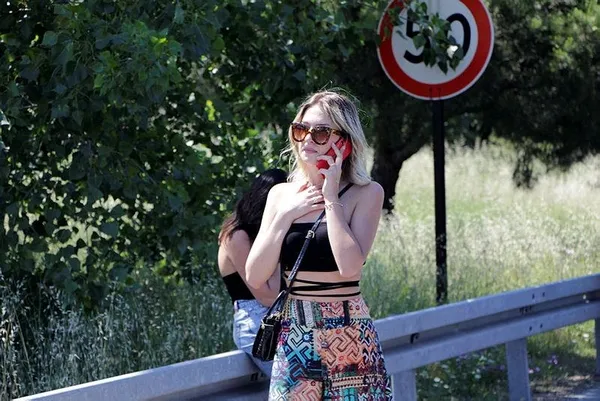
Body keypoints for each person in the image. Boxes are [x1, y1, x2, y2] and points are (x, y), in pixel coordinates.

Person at [246, 91, 392, 400]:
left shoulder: (367, 193)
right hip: (295, 331)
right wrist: (285, 216)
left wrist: (330, 198)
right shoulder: (280, 195)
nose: (308, 139)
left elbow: (350, 267)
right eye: (301, 129)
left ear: (344, 141)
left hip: (349, 332)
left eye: (321, 131)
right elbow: (255, 275)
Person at [218, 168, 288, 377]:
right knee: (296, 385)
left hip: (283, 321)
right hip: (257, 324)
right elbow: (268, 296)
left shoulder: (262, 234)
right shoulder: (237, 236)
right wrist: (278, 236)